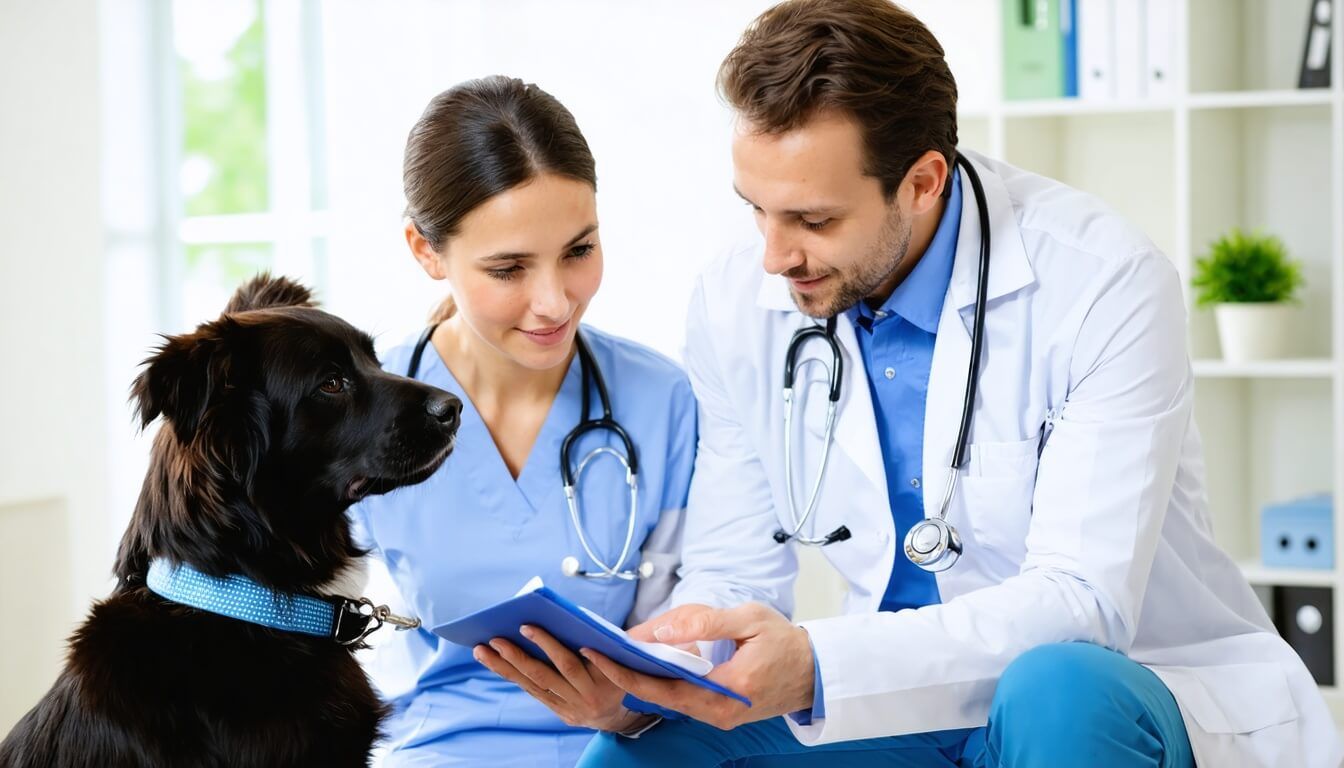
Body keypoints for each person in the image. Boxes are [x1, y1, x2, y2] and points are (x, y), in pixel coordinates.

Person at [566, 1, 1343, 766]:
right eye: (756, 211)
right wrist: (662, 671)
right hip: (889, 702)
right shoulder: (736, 301)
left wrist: (817, 665)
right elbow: (735, 568)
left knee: (1054, 688)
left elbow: (1083, 602)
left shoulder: (1102, 282)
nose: (774, 255)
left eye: (813, 220)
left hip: (1119, 685)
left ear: (924, 181)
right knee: (643, 754)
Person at [347, 76, 696, 767]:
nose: (555, 303)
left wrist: (628, 710)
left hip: (631, 747)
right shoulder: (358, 415)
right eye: (509, 269)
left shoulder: (659, 400)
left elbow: (692, 632)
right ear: (425, 251)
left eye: (578, 251)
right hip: (433, 750)